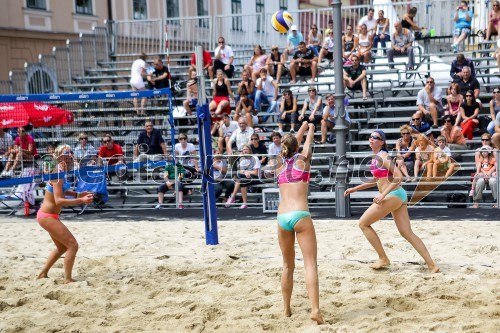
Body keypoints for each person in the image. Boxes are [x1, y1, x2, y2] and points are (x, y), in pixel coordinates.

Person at [344, 130, 439, 273]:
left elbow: (399, 177)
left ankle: (383, 258)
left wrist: (383, 195)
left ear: (382, 142)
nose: (371, 139)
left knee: (363, 223)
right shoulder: (376, 157)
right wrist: (355, 189)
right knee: (407, 233)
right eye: (370, 136)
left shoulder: (383, 156)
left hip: (393, 194)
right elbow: (377, 180)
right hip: (397, 195)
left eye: (375, 137)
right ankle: (432, 265)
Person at [270, 121, 324, 324]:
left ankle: (286, 309)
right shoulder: (303, 161)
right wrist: (310, 128)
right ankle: (315, 310)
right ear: (296, 147)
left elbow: (292, 142)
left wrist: (301, 126)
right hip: (300, 214)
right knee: (310, 264)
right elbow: (306, 142)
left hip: (282, 217)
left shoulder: (278, 163)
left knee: (287, 266)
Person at [36, 144, 94, 283]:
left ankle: (42, 274)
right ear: (59, 156)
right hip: (47, 216)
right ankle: (68, 279)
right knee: (72, 245)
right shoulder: (58, 173)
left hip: (49, 216)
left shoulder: (61, 172)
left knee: (62, 247)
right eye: (64, 154)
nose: (67, 157)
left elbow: (61, 191)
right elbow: (59, 201)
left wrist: (78, 193)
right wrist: (81, 200)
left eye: (69, 154)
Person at [225, 144, 261, 209]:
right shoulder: (242, 158)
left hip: (256, 177)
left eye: (246, 149)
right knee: (242, 180)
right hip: (245, 177)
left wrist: (248, 172)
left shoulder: (254, 158)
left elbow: (256, 173)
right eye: (244, 150)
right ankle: (244, 203)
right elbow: (241, 171)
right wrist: (245, 172)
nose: (245, 151)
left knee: (241, 179)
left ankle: (233, 197)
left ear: (250, 150)